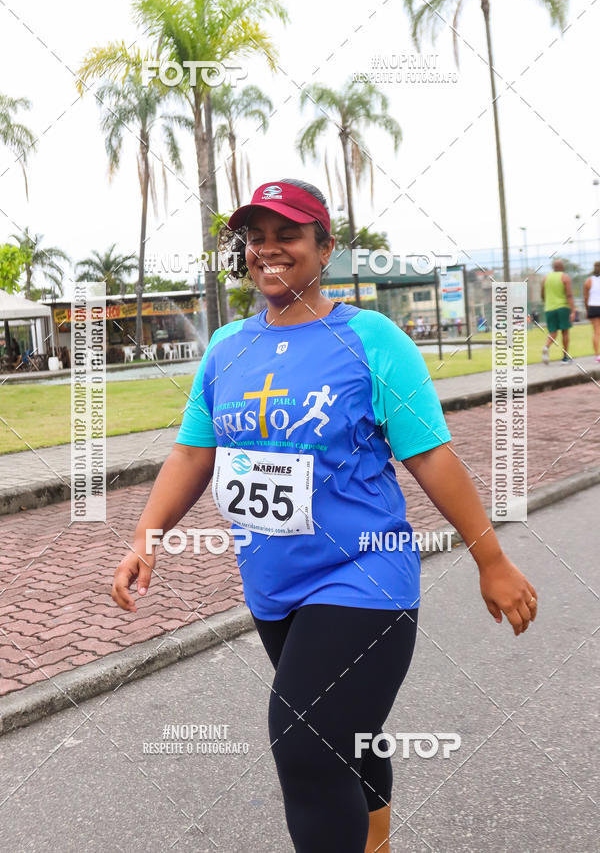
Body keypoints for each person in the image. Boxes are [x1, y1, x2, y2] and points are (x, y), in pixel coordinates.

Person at [111, 179, 538, 853]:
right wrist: (147, 536)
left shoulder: (371, 339)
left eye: (287, 236)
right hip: (274, 587)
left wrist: (491, 558)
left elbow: (431, 458)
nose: (267, 250)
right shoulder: (227, 348)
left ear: (325, 246)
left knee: (305, 743)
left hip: (364, 576)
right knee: (344, 734)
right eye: (255, 238)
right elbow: (194, 453)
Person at [541, 259, 576, 364]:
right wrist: (573, 310)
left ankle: (546, 347)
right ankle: (565, 358)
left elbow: (542, 294)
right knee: (565, 331)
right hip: (563, 307)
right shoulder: (565, 277)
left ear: (553, 267)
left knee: (553, 332)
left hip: (549, 308)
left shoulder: (545, 278)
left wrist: (547, 302)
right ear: (562, 267)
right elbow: (569, 294)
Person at [583, 261, 600, 363]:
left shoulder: (588, 281)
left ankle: (597, 355)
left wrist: (587, 309)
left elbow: (585, 297)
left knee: (596, 332)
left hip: (593, 307)